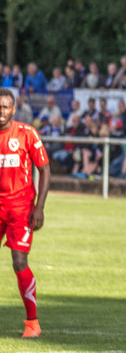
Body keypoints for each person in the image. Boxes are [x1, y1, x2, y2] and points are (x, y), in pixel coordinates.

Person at [0, 88, 51, 338]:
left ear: (13, 109)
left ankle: (32, 322)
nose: (1, 112)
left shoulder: (27, 133)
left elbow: (45, 170)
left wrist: (39, 206)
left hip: (20, 208)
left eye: (5, 107)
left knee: (19, 261)